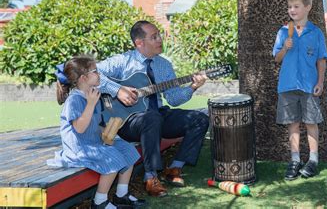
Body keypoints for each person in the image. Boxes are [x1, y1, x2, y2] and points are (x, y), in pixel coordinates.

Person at [97, 20, 208, 197]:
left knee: (200, 118)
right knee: (152, 117)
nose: (160, 40)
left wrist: (193, 87)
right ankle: (150, 177)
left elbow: (173, 99)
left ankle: (175, 168)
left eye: (159, 35)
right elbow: (91, 74)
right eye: (154, 37)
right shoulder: (122, 61)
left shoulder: (163, 65)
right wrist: (117, 90)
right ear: (139, 43)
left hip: (157, 116)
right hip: (126, 121)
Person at [48, 55, 145, 209]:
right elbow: (79, 128)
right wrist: (91, 104)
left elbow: (95, 124)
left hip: (94, 143)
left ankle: (121, 194)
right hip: (79, 148)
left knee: (128, 150)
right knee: (112, 158)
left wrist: (108, 132)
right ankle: (99, 201)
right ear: (83, 78)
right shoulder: (75, 100)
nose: (99, 75)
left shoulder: (93, 95)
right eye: (96, 71)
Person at [272, 0, 327, 180]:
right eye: (289, 7)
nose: (292, 10)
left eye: (296, 6)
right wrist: (285, 48)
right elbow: (277, 59)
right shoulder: (282, 32)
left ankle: (313, 160)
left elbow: (321, 60)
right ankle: (295, 160)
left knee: (311, 122)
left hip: (309, 86)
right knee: (292, 124)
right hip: (287, 86)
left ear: (308, 6)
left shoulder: (316, 33)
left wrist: (320, 81)